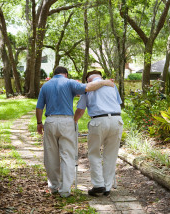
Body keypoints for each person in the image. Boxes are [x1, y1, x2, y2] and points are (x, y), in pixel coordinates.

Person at [36, 66, 115, 198]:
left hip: (50, 121)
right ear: (65, 74)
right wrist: (105, 82)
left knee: (50, 155)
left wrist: (39, 123)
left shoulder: (45, 86)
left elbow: (39, 107)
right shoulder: (70, 82)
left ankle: (53, 187)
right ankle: (65, 190)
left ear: (54, 74)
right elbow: (88, 88)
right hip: (66, 121)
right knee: (67, 155)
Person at [74, 70, 123, 197]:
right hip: (116, 119)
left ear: (88, 80)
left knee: (94, 153)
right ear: (100, 77)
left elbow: (80, 110)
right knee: (111, 154)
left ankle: (98, 184)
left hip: (98, 120)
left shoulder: (88, 88)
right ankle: (107, 187)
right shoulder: (112, 85)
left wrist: (73, 121)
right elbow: (118, 103)